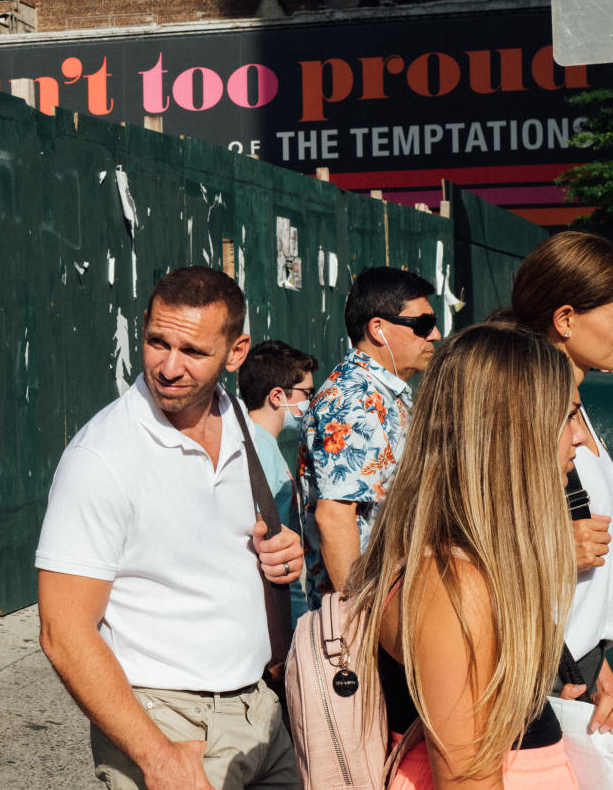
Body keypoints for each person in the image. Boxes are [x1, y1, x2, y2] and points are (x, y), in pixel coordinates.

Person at [37, 266, 303, 790]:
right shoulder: (101, 457)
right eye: (157, 342)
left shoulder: (243, 429)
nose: (169, 366)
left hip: (261, 716)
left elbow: (226, 554)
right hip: (167, 725)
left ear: (236, 351)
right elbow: (63, 633)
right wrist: (156, 756)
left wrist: (283, 557)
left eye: (193, 352)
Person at [345, 322, 587, 790]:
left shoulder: (458, 563)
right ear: (518, 430)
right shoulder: (454, 584)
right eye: (568, 416)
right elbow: (465, 779)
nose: (578, 437)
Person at [508, 230, 613, 725]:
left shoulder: (579, 407)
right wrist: (553, 548)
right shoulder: (525, 409)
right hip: (546, 667)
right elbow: (463, 533)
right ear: (566, 320)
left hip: (591, 656)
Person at [298, 266, 439, 609]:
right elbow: (335, 517)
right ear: (378, 329)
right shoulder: (353, 401)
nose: (434, 335)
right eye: (422, 325)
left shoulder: (381, 393)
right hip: (369, 616)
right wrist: (359, 618)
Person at [238, 339, 317, 622]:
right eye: (307, 392)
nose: (311, 401)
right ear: (277, 396)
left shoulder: (261, 443)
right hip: (276, 607)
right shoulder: (258, 446)